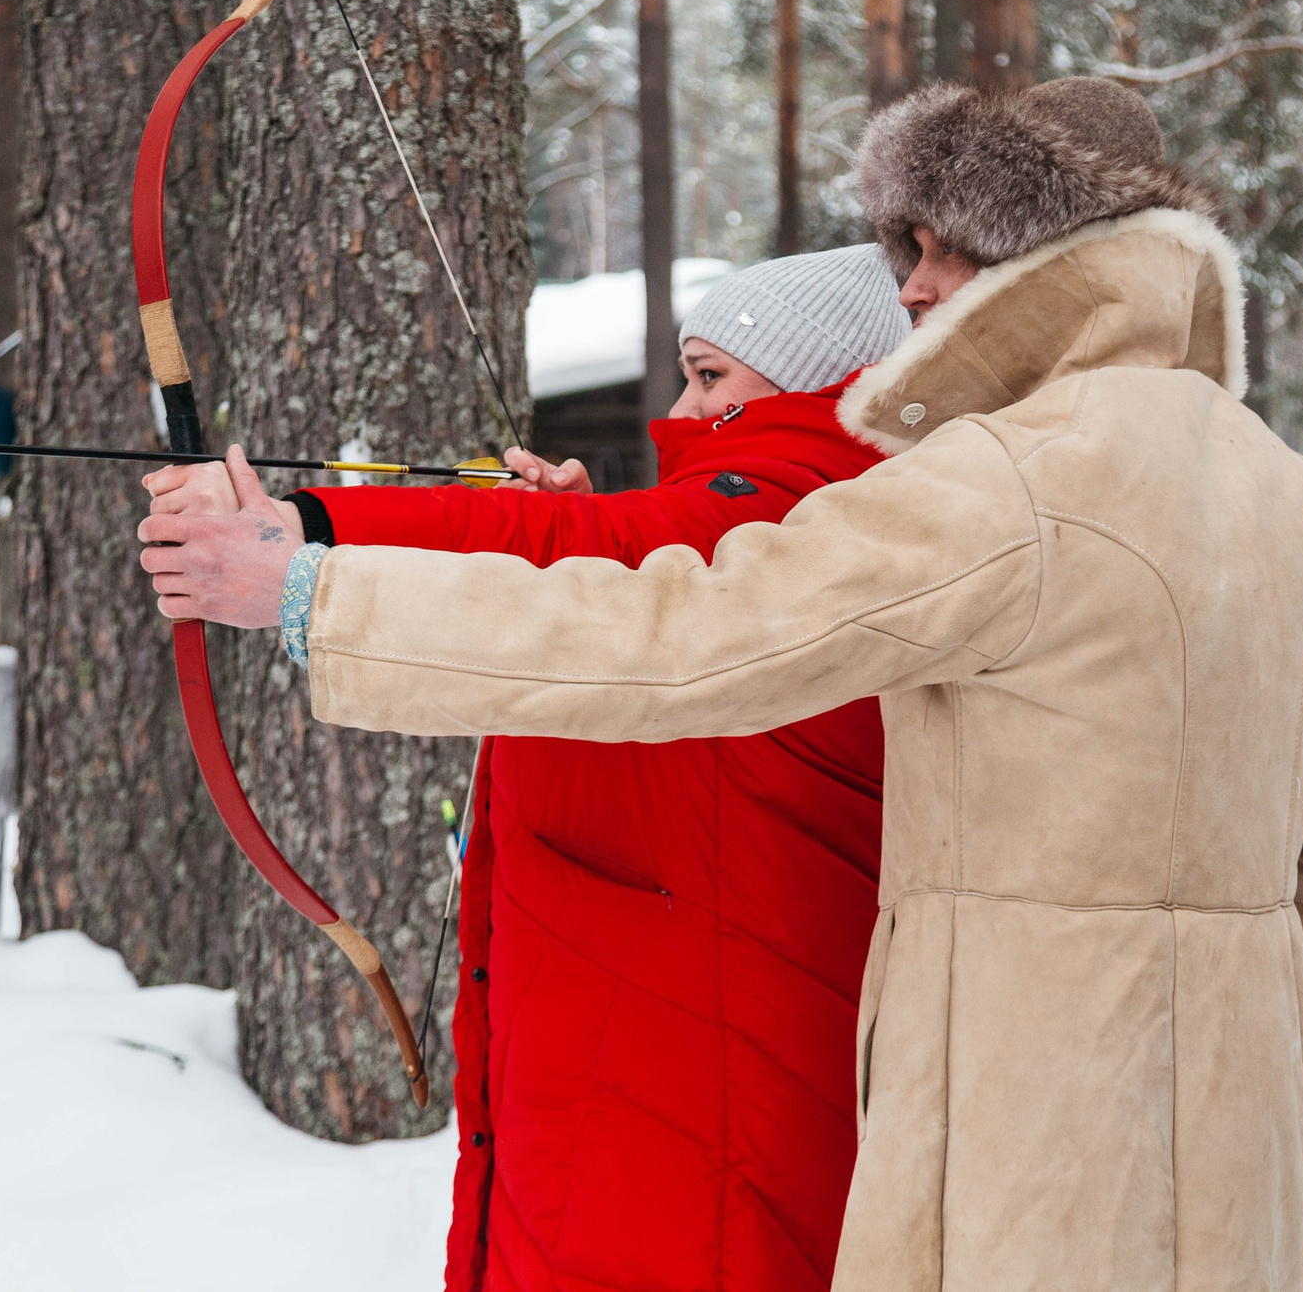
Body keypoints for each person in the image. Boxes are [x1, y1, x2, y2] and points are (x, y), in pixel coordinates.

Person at [144, 77, 1303, 1292]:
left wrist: (311, 590)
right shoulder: (1289, 494)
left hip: (1041, 1114)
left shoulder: (1011, 476)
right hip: (1251, 1111)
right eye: (908, 251)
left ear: (1052, 255)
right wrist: (1190, 930)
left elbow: (697, 633)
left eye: (945, 251)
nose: (916, 289)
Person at [147, 244, 910, 1292]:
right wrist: (580, 524)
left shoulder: (799, 509)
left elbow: (598, 556)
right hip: (655, 1073)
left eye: (709, 375)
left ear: (820, 381)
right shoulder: (804, 517)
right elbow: (612, 581)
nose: (681, 407)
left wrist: (297, 546)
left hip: (705, 1097)